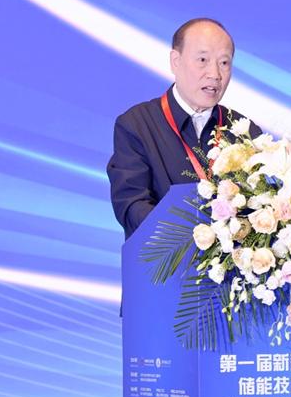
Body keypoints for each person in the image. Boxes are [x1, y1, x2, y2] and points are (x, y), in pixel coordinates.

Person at [107, 18, 261, 238]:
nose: (215, 74)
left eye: (224, 63)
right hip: (164, 256)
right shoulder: (136, 124)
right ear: (175, 61)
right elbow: (131, 205)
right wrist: (191, 238)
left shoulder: (244, 132)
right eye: (202, 60)